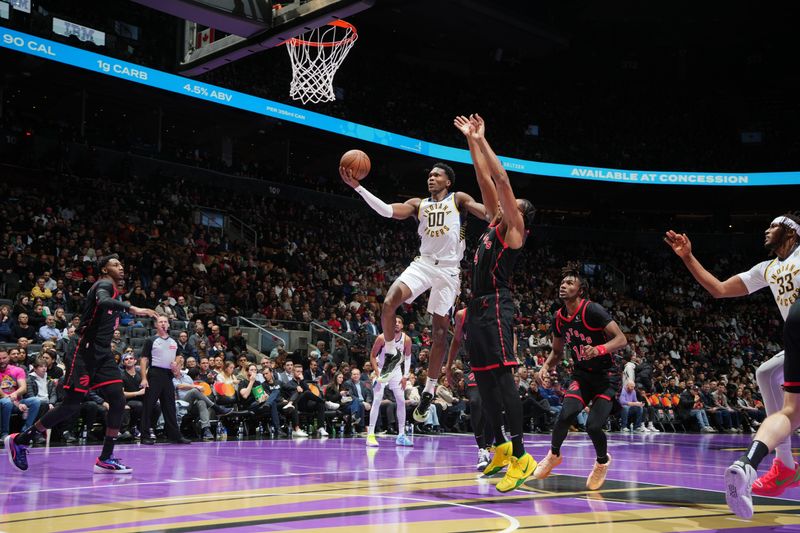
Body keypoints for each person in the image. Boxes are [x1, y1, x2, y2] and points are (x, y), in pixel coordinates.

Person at [665, 214, 800, 517]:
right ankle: (785, 466)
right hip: (795, 334)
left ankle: (774, 465)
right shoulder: (767, 268)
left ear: (791, 232)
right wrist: (688, 257)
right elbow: (719, 289)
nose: (766, 229)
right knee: (777, 390)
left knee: (769, 377)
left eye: (774, 225)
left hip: (793, 334)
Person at [339, 148, 486, 425]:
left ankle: (430, 388)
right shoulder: (419, 204)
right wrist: (358, 187)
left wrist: (496, 208)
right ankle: (392, 354)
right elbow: (386, 211)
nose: (431, 178)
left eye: (437, 175)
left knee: (440, 331)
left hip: (449, 270)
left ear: (448, 182)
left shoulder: (459, 200)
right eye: (429, 175)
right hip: (423, 263)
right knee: (389, 302)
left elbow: (486, 212)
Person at [6, 254, 157, 474]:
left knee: (117, 399)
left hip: (103, 353)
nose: (121, 267)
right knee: (71, 405)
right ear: (105, 270)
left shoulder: (113, 289)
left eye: (121, 263)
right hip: (84, 351)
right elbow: (104, 301)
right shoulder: (103, 285)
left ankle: (105, 458)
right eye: (115, 264)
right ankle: (21, 439)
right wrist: (131, 308)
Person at [453, 114, 537, 493]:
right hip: (476, 308)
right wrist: (472, 141)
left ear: (519, 214)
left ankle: (521, 455)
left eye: (510, 203)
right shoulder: (492, 224)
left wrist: (485, 140)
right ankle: (501, 446)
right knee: (484, 381)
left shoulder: (513, 231)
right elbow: (485, 179)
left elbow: (501, 180)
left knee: (502, 380)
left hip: (496, 306)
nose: (502, 202)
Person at [534, 262, 628, 490]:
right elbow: (557, 352)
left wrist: (599, 349)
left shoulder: (592, 310)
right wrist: (545, 367)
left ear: (581, 290)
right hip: (582, 375)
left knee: (594, 427)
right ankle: (554, 455)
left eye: (569, 283)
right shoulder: (559, 317)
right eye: (562, 282)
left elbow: (621, 339)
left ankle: (602, 462)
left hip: (606, 377)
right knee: (565, 415)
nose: (563, 286)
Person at [445, 308, 494, 470]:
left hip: (493, 365)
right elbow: (456, 341)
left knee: (491, 409)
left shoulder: (495, 310)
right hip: (472, 366)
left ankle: (488, 446)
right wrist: (448, 366)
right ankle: (482, 449)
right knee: (475, 402)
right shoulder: (462, 315)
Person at [139, 315, 191, 445]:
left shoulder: (173, 341)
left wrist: (177, 362)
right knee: (148, 406)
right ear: (156, 325)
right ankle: (144, 435)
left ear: (168, 325)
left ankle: (175, 436)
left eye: (165, 322)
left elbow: (179, 356)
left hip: (168, 375)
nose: (163, 324)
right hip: (154, 374)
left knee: (170, 407)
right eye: (160, 322)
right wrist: (144, 378)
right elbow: (144, 359)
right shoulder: (151, 340)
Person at [366, 316, 413, 447]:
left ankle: (401, 435)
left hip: (396, 370)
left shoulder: (406, 339)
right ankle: (370, 434)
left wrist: (405, 376)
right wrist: (377, 372)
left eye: (399, 322)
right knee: (377, 400)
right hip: (382, 369)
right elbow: (372, 356)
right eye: (394, 322)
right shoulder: (382, 337)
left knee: (401, 401)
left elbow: (408, 357)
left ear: (402, 326)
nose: (396, 324)